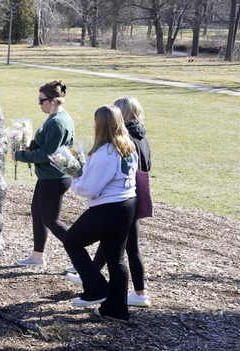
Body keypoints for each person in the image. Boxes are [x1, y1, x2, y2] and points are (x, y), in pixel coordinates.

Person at [67, 96, 152, 308]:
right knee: (116, 259)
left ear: (102, 124)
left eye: (96, 121)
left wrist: (74, 181)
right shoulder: (128, 146)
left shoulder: (105, 151)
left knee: (71, 241)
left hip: (109, 209)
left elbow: (91, 189)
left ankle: (96, 289)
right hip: (128, 206)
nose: (93, 124)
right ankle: (116, 310)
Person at [12, 80, 75, 267]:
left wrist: (21, 155)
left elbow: (48, 154)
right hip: (48, 177)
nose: (39, 104)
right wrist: (30, 148)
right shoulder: (55, 118)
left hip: (55, 178)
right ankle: (37, 257)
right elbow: (47, 146)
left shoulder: (57, 122)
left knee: (51, 220)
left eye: (42, 100)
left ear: (54, 100)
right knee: (38, 214)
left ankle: (81, 256)